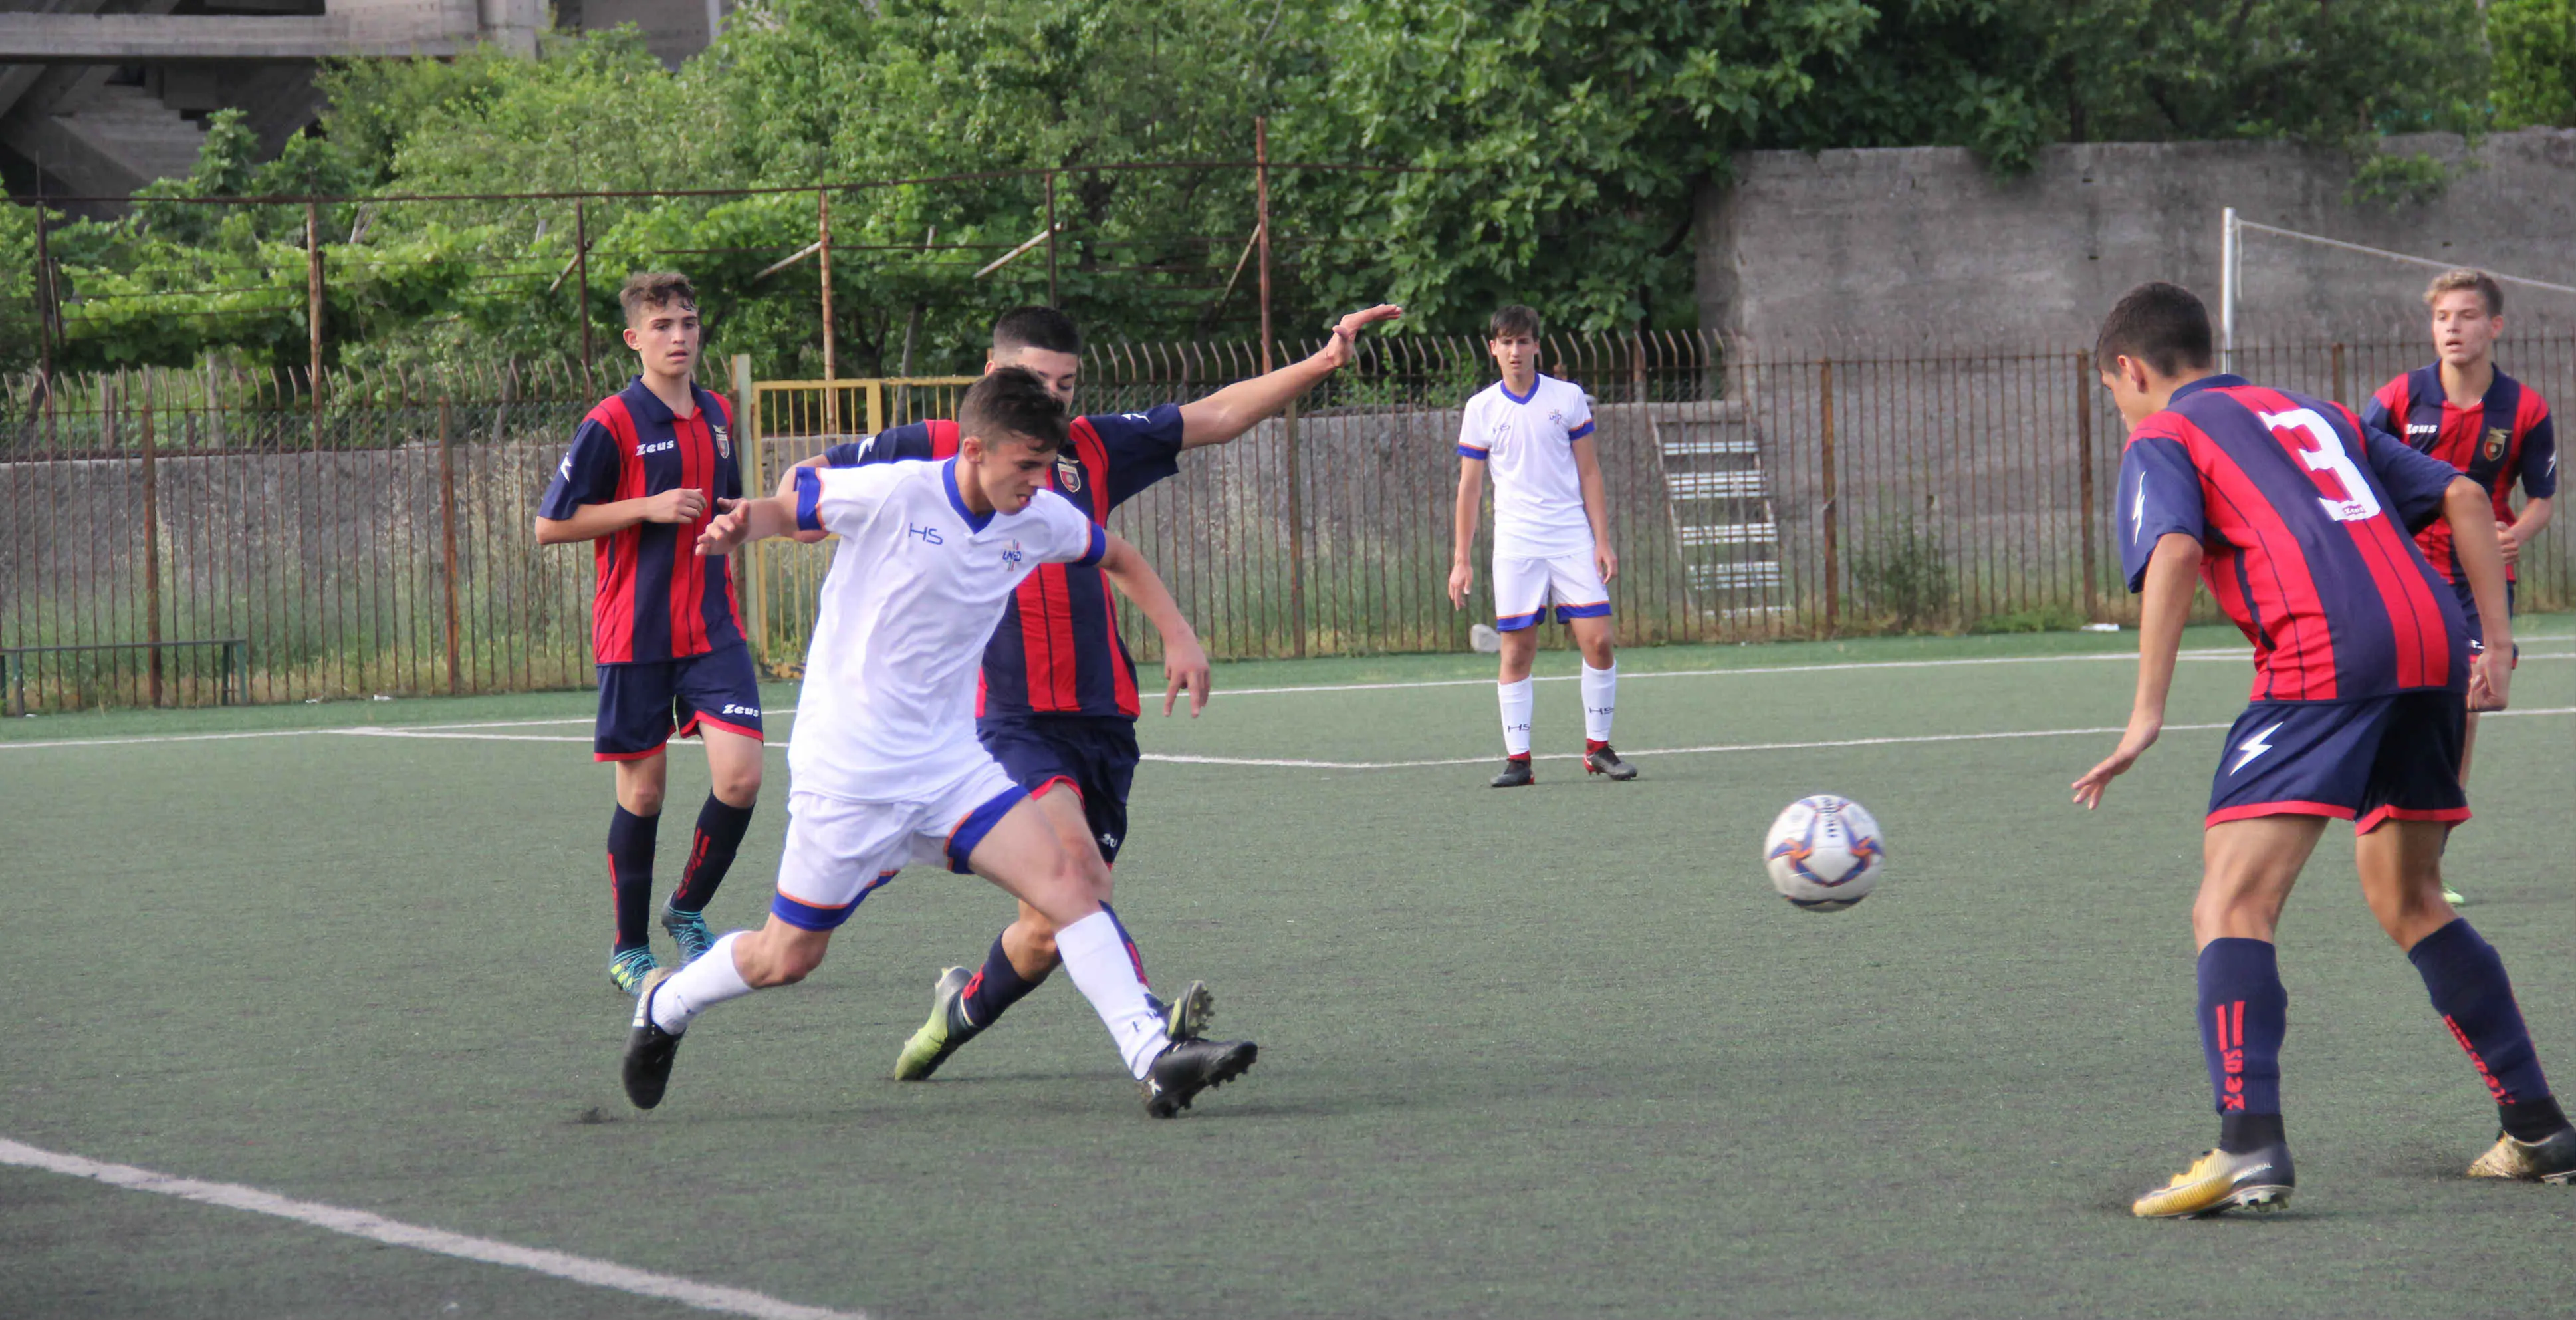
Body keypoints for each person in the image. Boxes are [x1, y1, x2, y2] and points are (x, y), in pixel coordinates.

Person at [792, 301, 1403, 1081]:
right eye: (1035, 381)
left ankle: (957, 1013)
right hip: (1006, 718)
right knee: (1076, 872)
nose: (1053, 400)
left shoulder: (1088, 448)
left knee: (1047, 927)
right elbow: (809, 479)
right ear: (992, 374)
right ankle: (1154, 1042)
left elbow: (1213, 414)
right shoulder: (942, 450)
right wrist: (799, 518)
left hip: (1101, 715)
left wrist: (1322, 362)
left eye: (1066, 383)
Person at [625, 367, 1257, 1118]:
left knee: (1067, 885)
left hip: (951, 766)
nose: (1036, 482)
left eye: (1044, 466)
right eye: (1023, 465)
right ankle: (666, 1002)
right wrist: (739, 525)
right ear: (974, 449)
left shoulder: (1037, 514)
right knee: (784, 957)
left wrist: (1178, 634)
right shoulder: (897, 491)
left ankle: (1153, 1057)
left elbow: (1116, 553)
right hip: (850, 775)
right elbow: (788, 505)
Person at [2070, 281, 2575, 1218]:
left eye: (2113, 391)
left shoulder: (2163, 435)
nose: (2119, 408)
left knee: (2230, 900)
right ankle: (2537, 1127)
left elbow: (2174, 552)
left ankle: (2247, 1145)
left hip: (2322, 655)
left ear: (2130, 371)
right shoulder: (2316, 410)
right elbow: (2464, 495)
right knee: (2410, 897)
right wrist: (2495, 647)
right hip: (2431, 641)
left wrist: (2144, 714)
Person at [535, 272, 762, 995]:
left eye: (689, 323)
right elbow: (550, 525)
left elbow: (726, 507)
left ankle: (687, 907)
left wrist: (734, 525)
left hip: (713, 628)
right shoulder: (610, 423)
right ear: (635, 338)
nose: (679, 337)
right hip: (635, 634)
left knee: (742, 775)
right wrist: (646, 505)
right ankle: (629, 949)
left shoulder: (720, 413)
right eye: (663, 325)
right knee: (643, 796)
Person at [2359, 269, 2557, 906]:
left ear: (2493, 327)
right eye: (2443, 316)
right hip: (2407, 572)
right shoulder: (2398, 398)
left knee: (2464, 710)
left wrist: (2516, 533)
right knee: (2397, 701)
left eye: (2467, 315)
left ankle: (2429, 864)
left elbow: (2543, 499)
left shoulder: (2524, 408)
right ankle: (2386, 825)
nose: (2453, 327)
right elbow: (2358, 476)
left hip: (2478, 584)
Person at [1444, 304, 1634, 788]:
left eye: (1523, 341)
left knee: (1599, 639)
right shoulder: (1481, 408)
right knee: (1517, 651)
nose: (1515, 351)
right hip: (1516, 540)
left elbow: (1589, 472)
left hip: (1570, 533)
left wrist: (1602, 540)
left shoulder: (1567, 398)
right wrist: (1460, 560)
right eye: (1505, 342)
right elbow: (1469, 488)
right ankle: (1519, 760)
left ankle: (1598, 749)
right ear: (1493, 349)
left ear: (1536, 346)